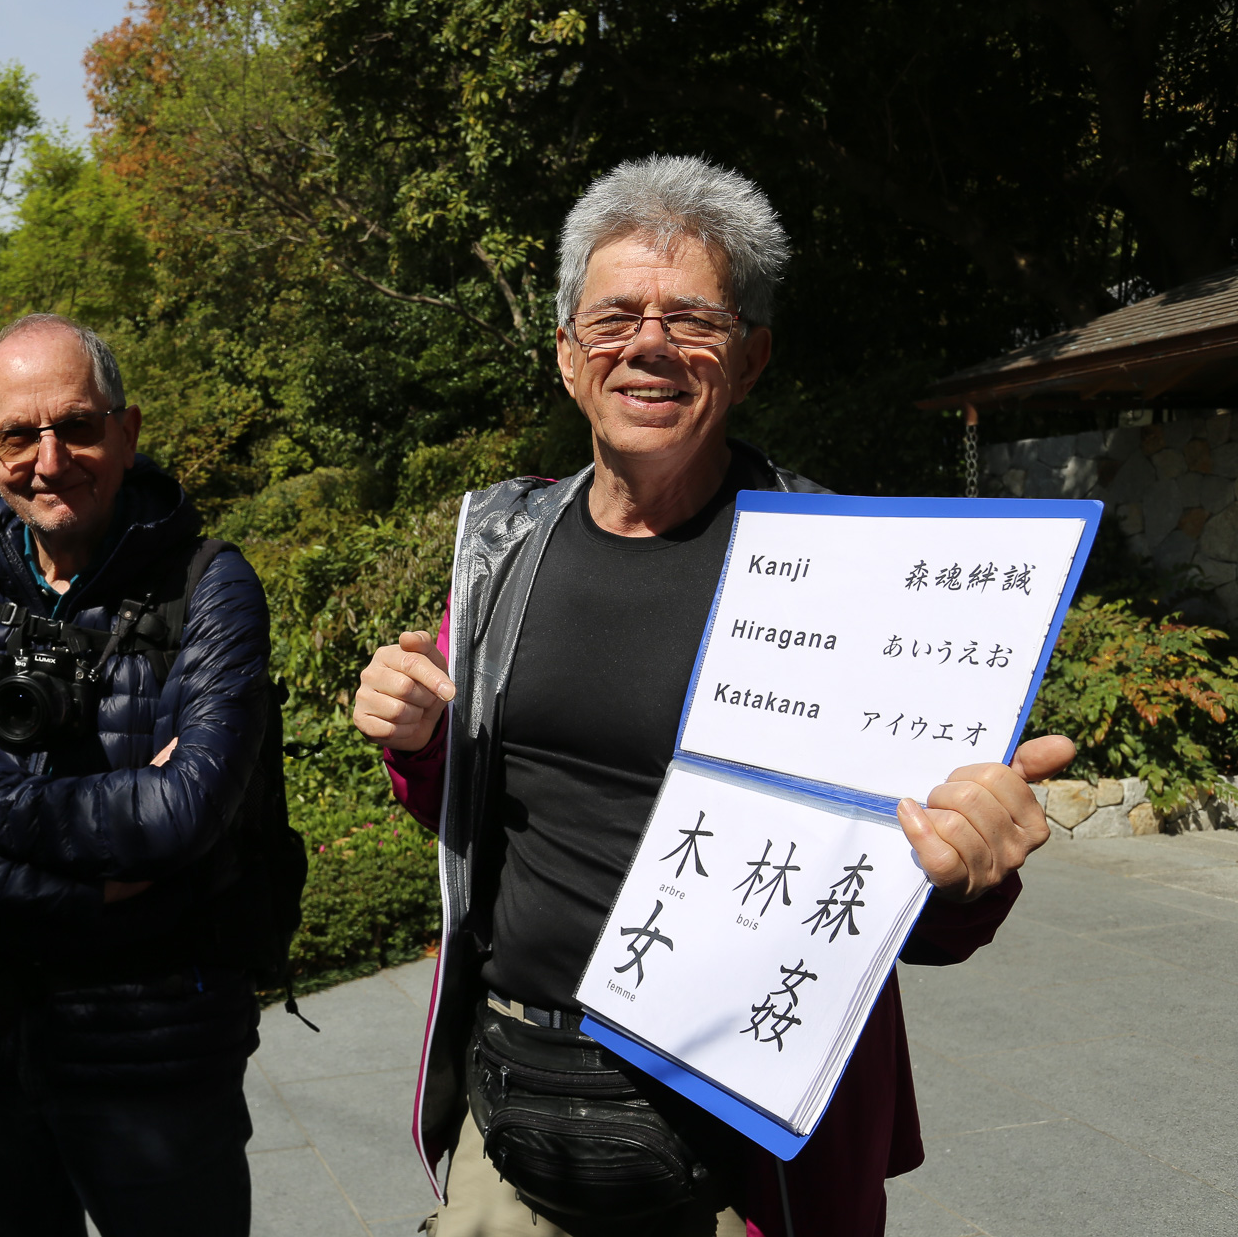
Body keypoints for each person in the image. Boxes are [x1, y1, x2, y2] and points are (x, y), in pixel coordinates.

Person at [350, 156, 1072, 1237]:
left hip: (742, 1146)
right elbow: (476, 804)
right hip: (519, 1106)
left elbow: (910, 914)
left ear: (753, 356)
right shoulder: (503, 549)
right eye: (612, 319)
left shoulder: (854, 573)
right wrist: (418, 738)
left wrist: (970, 873)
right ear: (565, 354)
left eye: (692, 317)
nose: (646, 344)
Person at [0, 313, 276, 1237]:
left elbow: (180, 815)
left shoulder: (209, 589)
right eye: (18, 434)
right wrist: (95, 893)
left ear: (125, 430)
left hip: (156, 1059)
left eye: (77, 426)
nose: (50, 459)